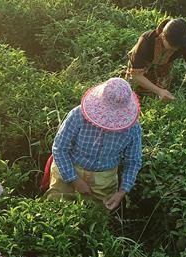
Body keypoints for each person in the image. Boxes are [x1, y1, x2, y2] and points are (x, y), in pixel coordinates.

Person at [45, 78, 142, 211]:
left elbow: (133, 161)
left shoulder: (133, 129)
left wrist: (121, 192)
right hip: (68, 170)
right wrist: (75, 180)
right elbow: (60, 148)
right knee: (55, 209)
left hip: (103, 181)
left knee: (95, 218)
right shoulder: (78, 115)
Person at [125, 18, 186, 102]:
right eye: (172, 47)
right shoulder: (147, 40)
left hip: (164, 65)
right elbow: (136, 75)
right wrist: (159, 91)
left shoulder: (183, 43)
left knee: (161, 95)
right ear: (163, 36)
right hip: (142, 66)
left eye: (177, 48)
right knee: (135, 91)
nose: (175, 50)